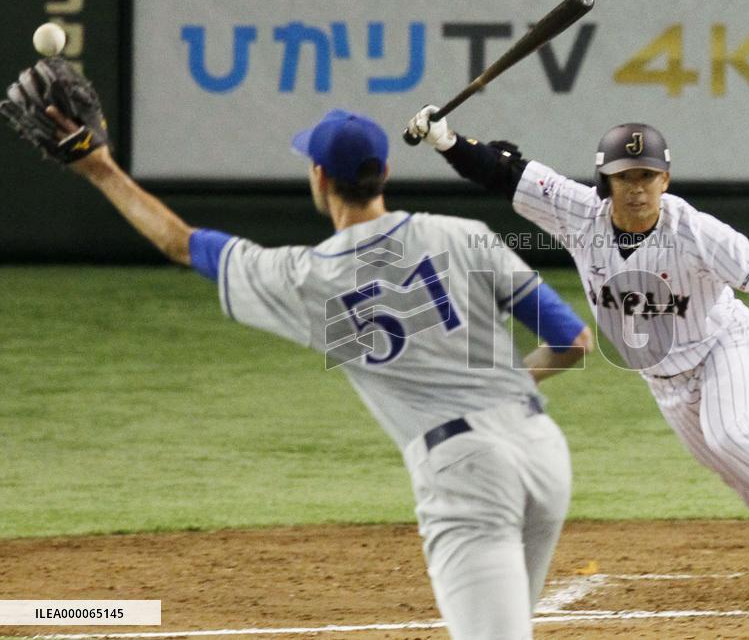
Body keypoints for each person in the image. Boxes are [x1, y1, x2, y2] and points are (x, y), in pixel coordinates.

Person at [1, 59, 595, 639]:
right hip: (543, 452)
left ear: (318, 177)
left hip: (466, 474)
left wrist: (100, 167)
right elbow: (574, 342)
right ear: (384, 170)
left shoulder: (308, 279)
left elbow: (181, 244)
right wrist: (499, 388)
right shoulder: (463, 235)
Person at [407, 106, 749, 602]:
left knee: (734, 433)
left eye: (648, 176)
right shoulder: (577, 214)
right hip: (664, 381)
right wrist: (445, 140)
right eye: (625, 176)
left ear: (666, 179)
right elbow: (506, 173)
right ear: (604, 181)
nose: (637, 187)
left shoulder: (695, 231)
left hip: (725, 347)